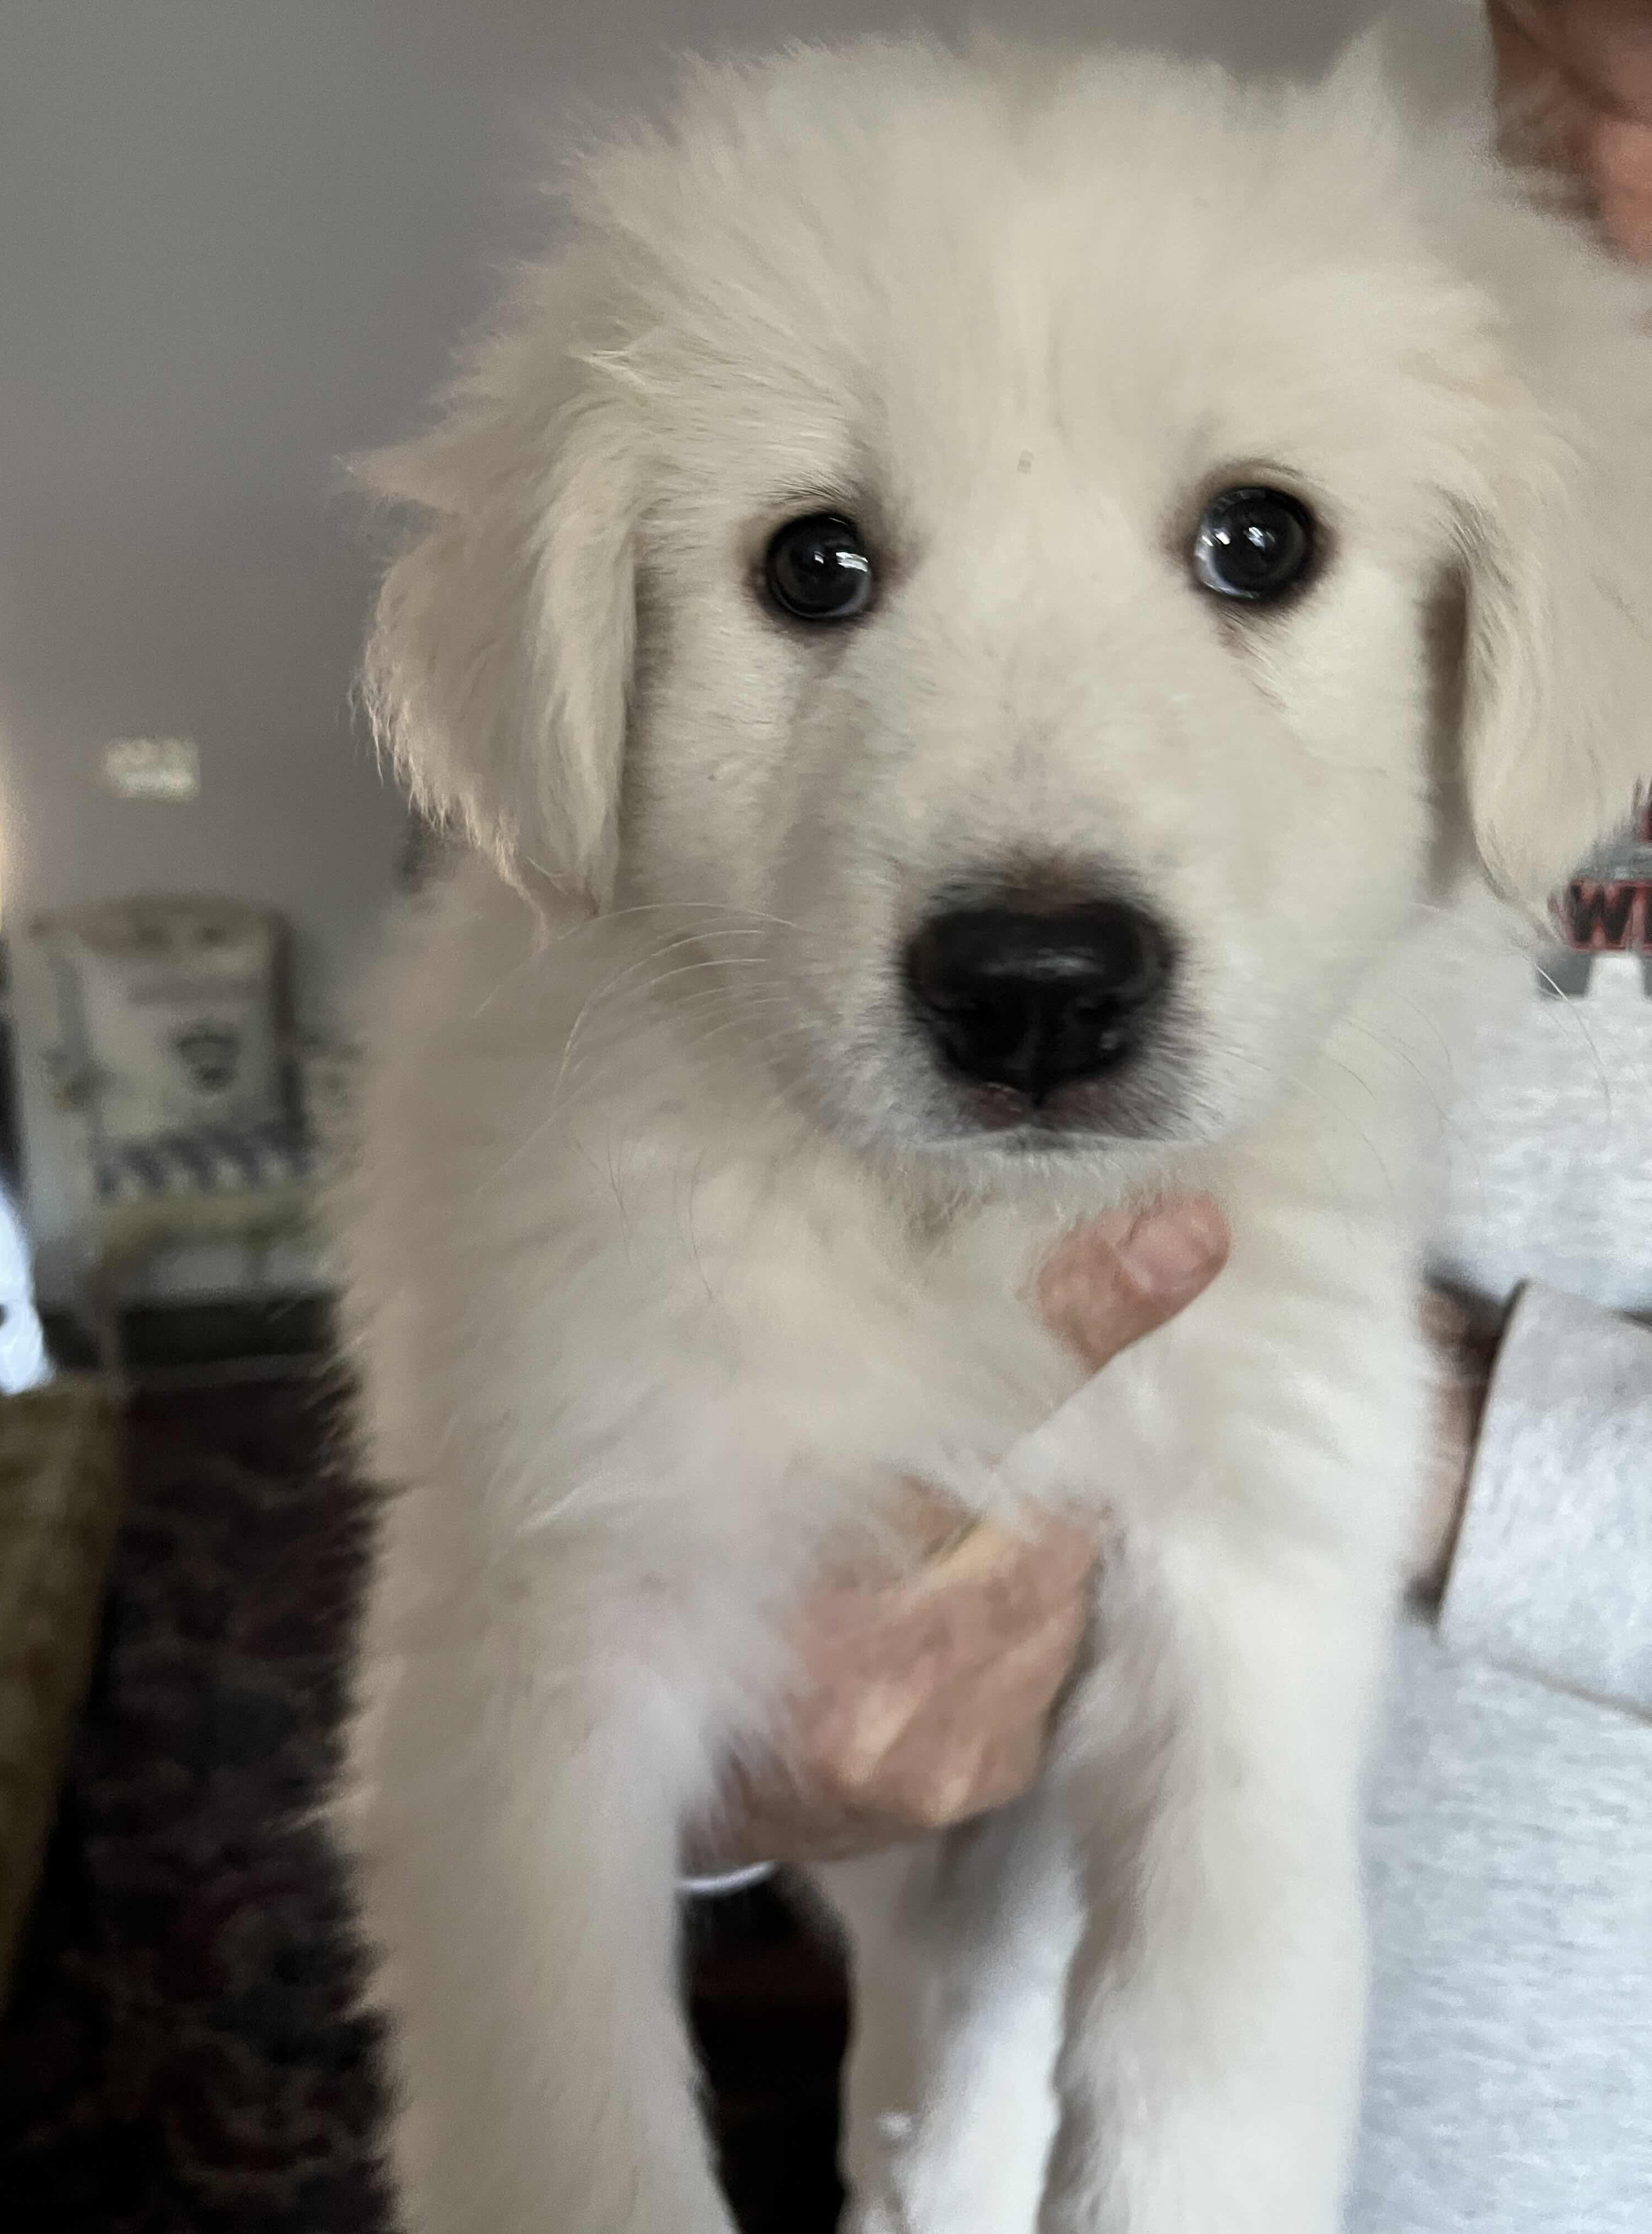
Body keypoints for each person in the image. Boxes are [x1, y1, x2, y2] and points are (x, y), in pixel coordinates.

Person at [691, 8, 1652, 2228]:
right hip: (1011, 2130)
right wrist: (695, 1729)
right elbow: (643, 1128)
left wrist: (1314, 1396)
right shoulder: (1181, 199)